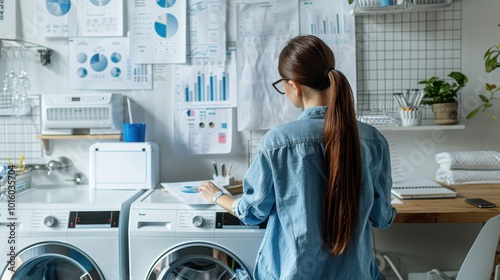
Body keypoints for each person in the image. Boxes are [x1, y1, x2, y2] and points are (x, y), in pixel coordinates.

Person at [199, 34, 396, 279]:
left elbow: (251, 212)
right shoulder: (373, 140)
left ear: (294, 86)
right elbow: (382, 217)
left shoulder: (278, 142)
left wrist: (217, 196)